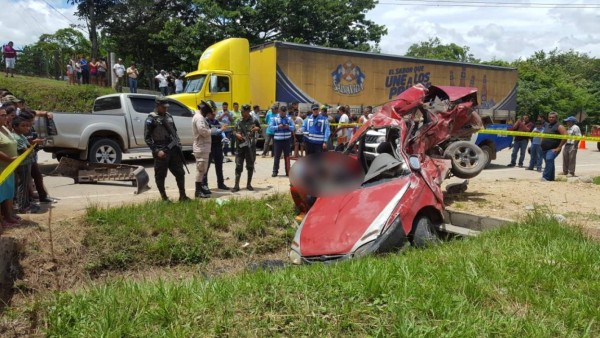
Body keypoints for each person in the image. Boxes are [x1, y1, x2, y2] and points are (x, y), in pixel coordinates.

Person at [144, 97, 190, 201]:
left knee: (180, 172)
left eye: (166, 107)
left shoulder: (169, 117)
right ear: (158, 106)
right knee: (160, 175)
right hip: (161, 150)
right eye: (163, 107)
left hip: (173, 149)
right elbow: (147, 138)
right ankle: (164, 198)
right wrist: (156, 151)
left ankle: (182, 196)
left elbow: (174, 132)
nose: (165, 109)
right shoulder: (151, 119)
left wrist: (178, 143)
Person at [12, 117, 43, 213]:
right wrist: (31, 149)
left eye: (27, 126)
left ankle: (26, 204)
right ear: (15, 127)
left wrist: (31, 147)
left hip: (27, 163)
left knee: (25, 185)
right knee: (22, 186)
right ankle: (22, 207)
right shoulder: (16, 137)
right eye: (23, 126)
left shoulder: (21, 136)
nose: (26, 128)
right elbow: (26, 151)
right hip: (22, 165)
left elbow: (29, 147)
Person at [231, 104, 261, 192]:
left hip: (250, 148)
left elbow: (260, 130)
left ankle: (249, 184)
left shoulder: (254, 120)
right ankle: (236, 185)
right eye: (241, 111)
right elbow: (233, 131)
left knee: (250, 166)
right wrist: (236, 134)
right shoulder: (238, 120)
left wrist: (257, 129)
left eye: (243, 111)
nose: (241, 112)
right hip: (240, 147)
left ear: (248, 112)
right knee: (238, 166)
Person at [203, 102, 230, 191]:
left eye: (215, 112)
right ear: (208, 113)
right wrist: (220, 130)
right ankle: (204, 185)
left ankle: (221, 183)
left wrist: (224, 137)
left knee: (219, 166)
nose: (214, 114)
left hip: (218, 146)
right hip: (209, 146)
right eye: (212, 113)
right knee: (206, 167)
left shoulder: (215, 121)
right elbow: (214, 130)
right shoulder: (205, 121)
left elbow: (221, 129)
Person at [0, 105, 19, 226]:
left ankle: (9, 215)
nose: (5, 117)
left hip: (9, 167)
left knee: (8, 193)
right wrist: (10, 158)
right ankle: (3, 219)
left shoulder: (5, 128)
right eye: (2, 115)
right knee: (1, 194)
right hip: (2, 167)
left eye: (5, 115)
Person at [192, 100, 213, 198]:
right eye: (207, 112)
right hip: (201, 147)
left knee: (202, 170)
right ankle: (198, 192)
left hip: (203, 147)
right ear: (204, 110)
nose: (207, 114)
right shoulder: (199, 118)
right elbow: (203, 132)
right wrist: (211, 131)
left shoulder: (199, 117)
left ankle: (200, 190)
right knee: (200, 170)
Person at [540, 112, 567, 182]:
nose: (551, 118)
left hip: (553, 149)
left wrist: (559, 147)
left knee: (549, 159)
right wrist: (541, 143)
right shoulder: (547, 125)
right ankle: (551, 178)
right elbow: (544, 135)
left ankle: (545, 177)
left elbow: (565, 136)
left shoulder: (559, 126)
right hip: (544, 148)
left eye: (553, 117)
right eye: (550, 117)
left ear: (556, 118)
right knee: (549, 162)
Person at [270, 105, 294, 177]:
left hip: (287, 140)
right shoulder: (274, 118)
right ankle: (275, 171)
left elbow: (293, 128)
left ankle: (288, 172)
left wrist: (288, 126)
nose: (283, 114)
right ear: (279, 111)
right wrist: (278, 127)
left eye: (284, 113)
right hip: (278, 140)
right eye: (281, 113)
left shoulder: (289, 119)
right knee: (277, 156)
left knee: (287, 157)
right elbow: (270, 128)